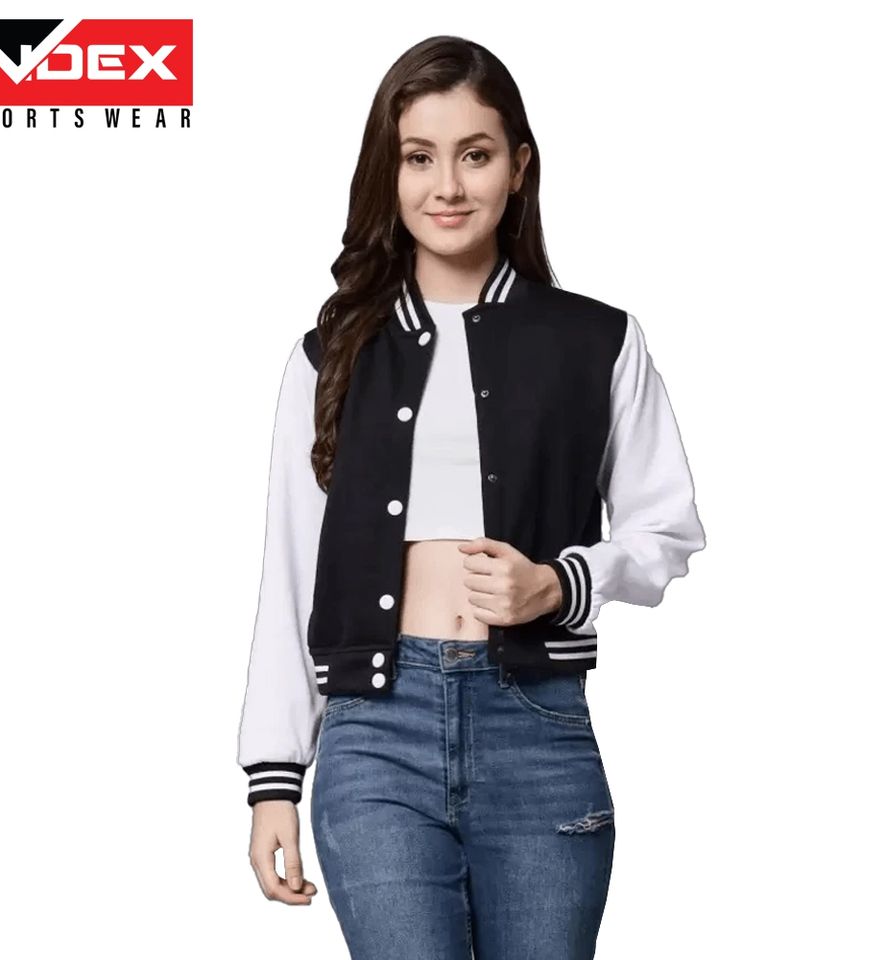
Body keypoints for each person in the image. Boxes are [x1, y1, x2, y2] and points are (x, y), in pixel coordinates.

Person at [236, 35, 705, 960]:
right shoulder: (328, 356)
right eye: (419, 158)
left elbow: (668, 528)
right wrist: (273, 776)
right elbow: (289, 571)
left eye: (475, 155)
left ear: (519, 167)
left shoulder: (598, 341)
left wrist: (560, 584)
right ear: (389, 173)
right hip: (375, 734)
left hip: (537, 724)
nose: (447, 186)